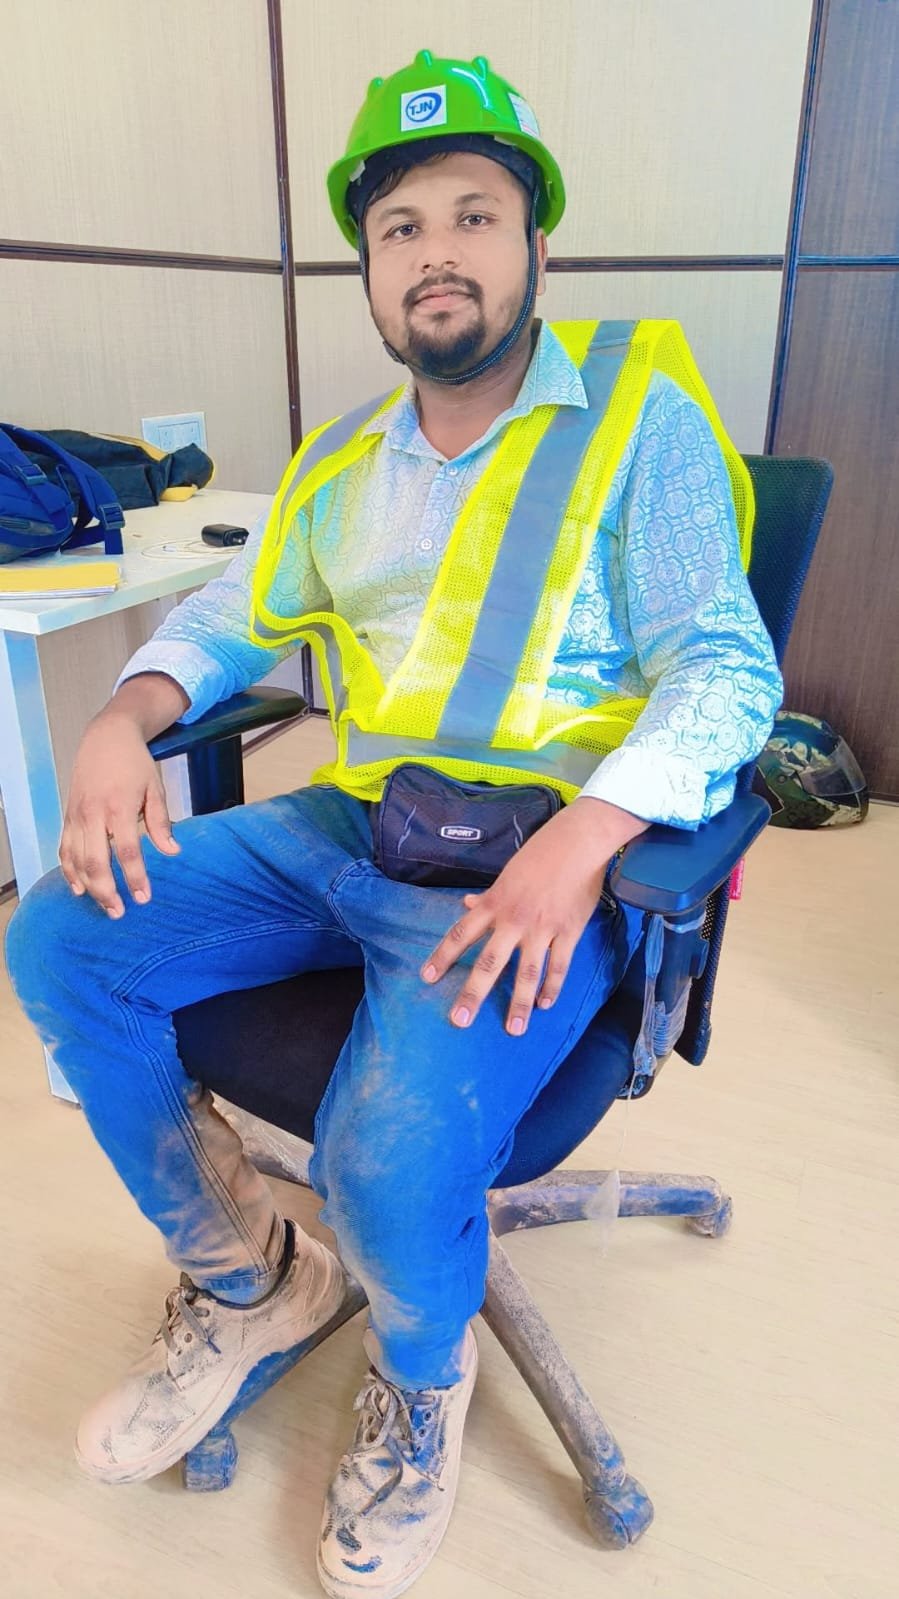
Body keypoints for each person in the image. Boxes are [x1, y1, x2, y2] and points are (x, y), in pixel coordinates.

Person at [6, 49, 782, 1599]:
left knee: (381, 1157)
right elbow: (231, 614)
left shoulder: (637, 419)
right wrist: (120, 719)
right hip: (361, 822)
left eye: (473, 216)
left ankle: (423, 1389)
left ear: (535, 244)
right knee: (62, 935)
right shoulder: (346, 461)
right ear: (368, 272)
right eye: (401, 228)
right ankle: (250, 1282)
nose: (437, 252)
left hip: (533, 861)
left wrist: (584, 844)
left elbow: (727, 668)